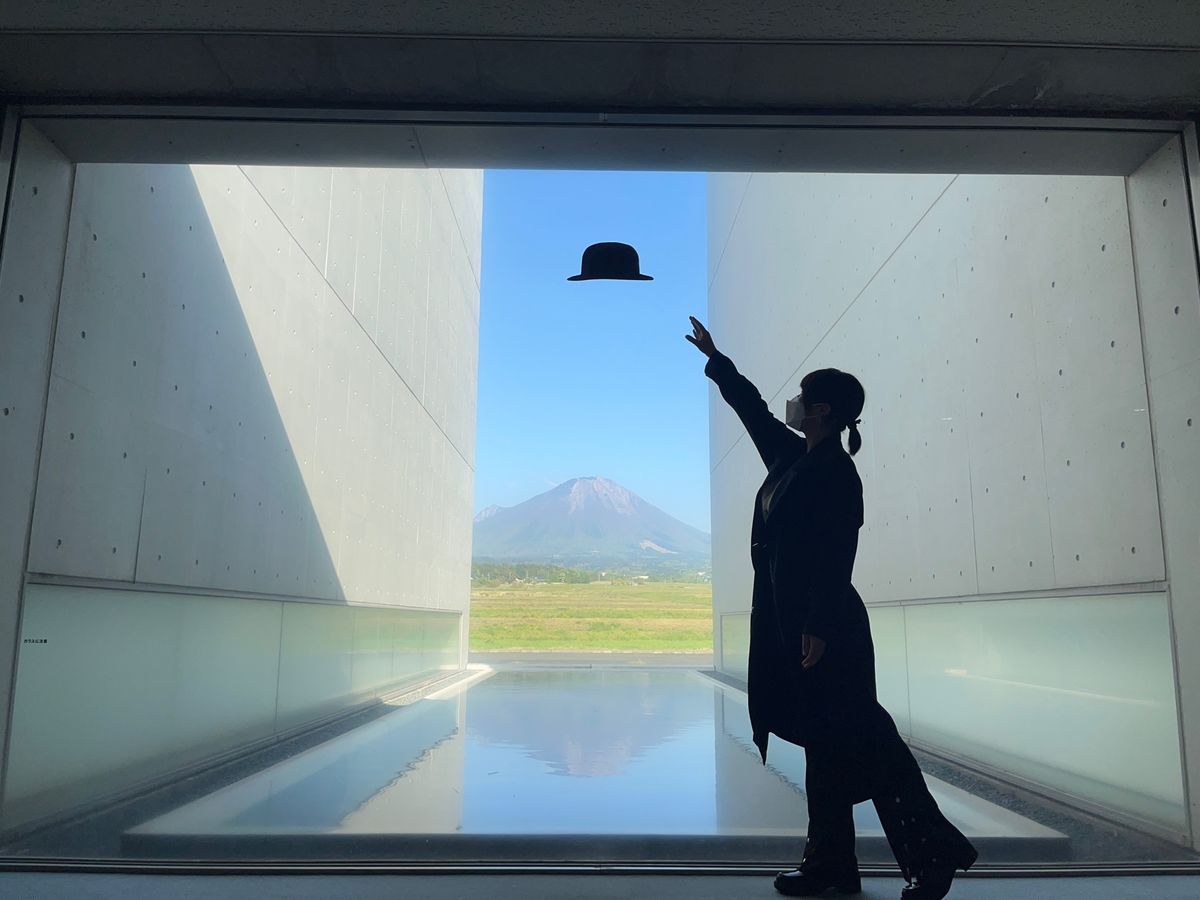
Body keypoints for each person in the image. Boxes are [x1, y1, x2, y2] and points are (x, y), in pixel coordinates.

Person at [686, 316, 977, 900]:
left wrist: (816, 625)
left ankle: (929, 854)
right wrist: (718, 361)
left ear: (820, 411)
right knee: (830, 750)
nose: (791, 403)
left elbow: (835, 552)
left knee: (867, 746)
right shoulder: (797, 460)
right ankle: (832, 867)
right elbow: (756, 414)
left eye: (800, 397)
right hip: (805, 629)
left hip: (827, 633)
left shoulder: (833, 472)